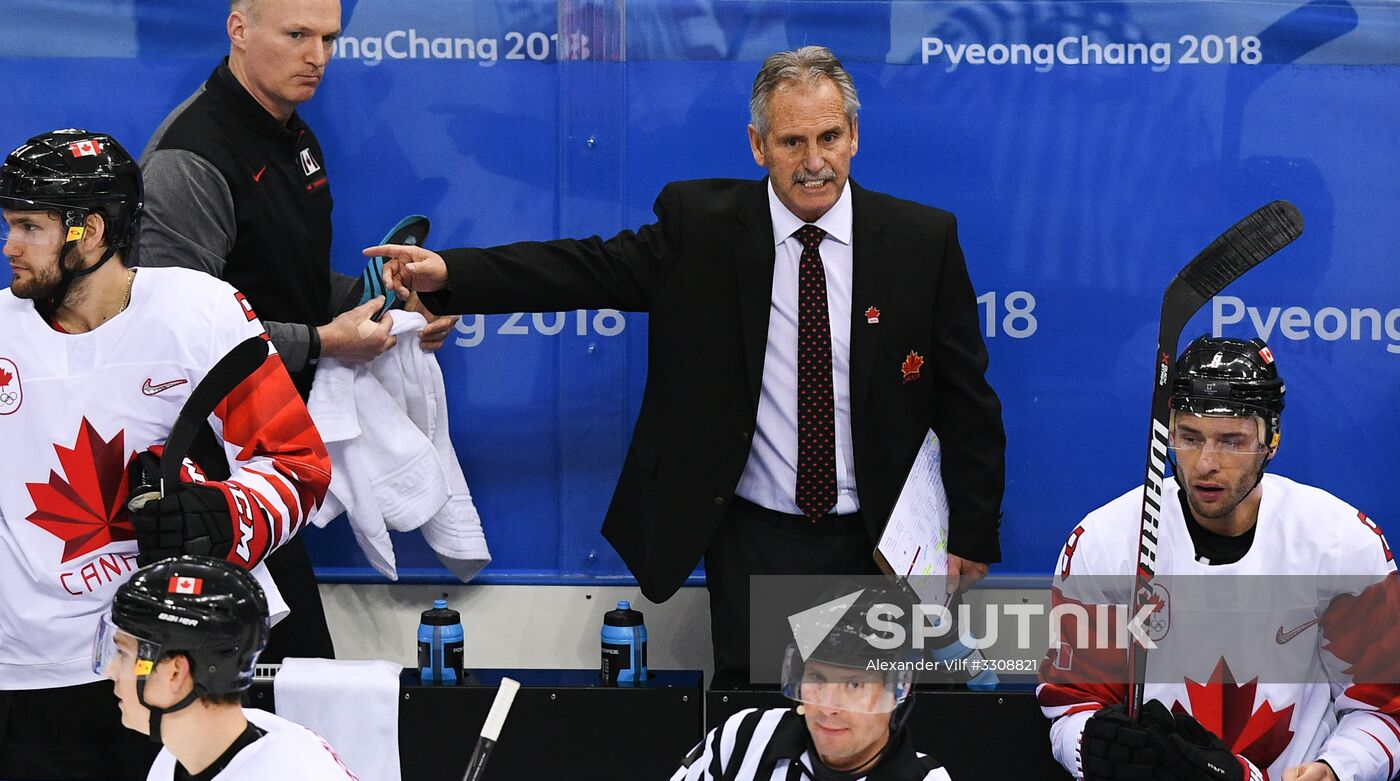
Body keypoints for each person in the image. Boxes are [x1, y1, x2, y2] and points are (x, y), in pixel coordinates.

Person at [369, 45, 1006, 674]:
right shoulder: (701, 228)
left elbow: (966, 399)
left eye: (829, 137)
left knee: (862, 730)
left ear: (854, 136)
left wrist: (972, 536)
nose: (814, 163)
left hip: (881, 545)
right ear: (758, 146)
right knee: (763, 728)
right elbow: (582, 269)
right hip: (757, 540)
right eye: (791, 144)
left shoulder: (923, 242)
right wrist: (453, 273)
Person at [0, 128, 330, 780]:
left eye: (29, 228)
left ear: (88, 232)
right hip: (27, 674)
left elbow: (297, 463)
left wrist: (222, 514)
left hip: (173, 661)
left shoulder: (199, 312)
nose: (9, 246)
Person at [137, 0, 456, 660]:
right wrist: (325, 340)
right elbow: (173, 338)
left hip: (270, 453)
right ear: (239, 28)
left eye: (329, 38)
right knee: (277, 680)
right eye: (297, 35)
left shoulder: (296, 136)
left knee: (289, 683)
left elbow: (292, 283)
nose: (318, 56)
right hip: (201, 472)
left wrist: (389, 308)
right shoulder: (190, 159)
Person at [1037, 336, 1400, 781]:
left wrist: (1337, 769)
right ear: (1168, 433)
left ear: (1272, 441)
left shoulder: (1340, 543)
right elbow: (1071, 704)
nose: (1206, 463)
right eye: (1189, 438)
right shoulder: (1106, 541)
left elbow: (1386, 708)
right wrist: (1100, 751)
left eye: (1231, 441)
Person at [97, 555, 358, 780]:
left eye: (123, 653)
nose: (111, 670)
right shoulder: (177, 758)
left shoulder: (289, 771)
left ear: (175, 672)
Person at [671, 588, 950, 779]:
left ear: (897, 688)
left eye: (854, 685)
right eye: (817, 678)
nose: (828, 707)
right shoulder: (742, 736)